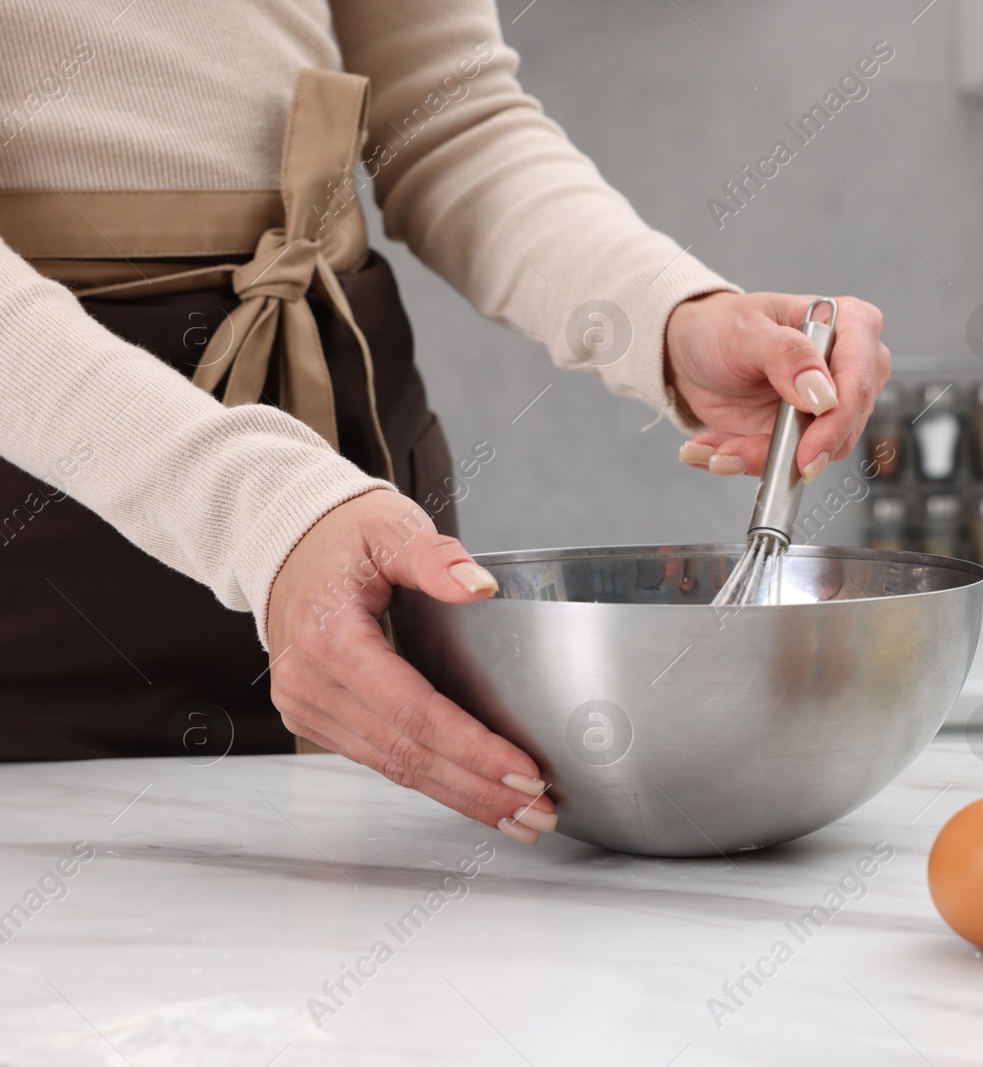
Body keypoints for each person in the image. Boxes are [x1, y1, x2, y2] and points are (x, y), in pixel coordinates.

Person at [0, 2, 889, 847]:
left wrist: (670, 318)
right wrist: (266, 513)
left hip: (345, 480)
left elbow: (451, 116)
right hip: (48, 491)